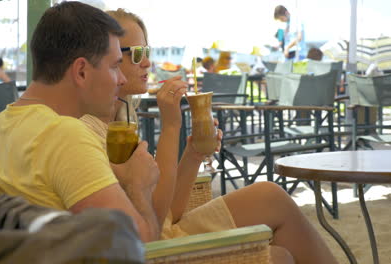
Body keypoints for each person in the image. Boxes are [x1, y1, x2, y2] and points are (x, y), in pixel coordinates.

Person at [80, 8, 338, 264]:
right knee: (278, 256)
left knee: (272, 196)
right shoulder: (92, 131)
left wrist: (193, 155)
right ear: (105, 58)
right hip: (154, 247)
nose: (147, 62)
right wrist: (171, 126)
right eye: (136, 54)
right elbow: (156, 221)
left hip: (164, 232)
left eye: (147, 51)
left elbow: (171, 212)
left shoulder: (124, 113)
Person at [0, 2, 160, 242]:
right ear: (81, 71)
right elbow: (141, 247)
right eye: (115, 66)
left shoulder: (0, 125)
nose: (122, 78)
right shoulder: (67, 137)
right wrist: (138, 186)